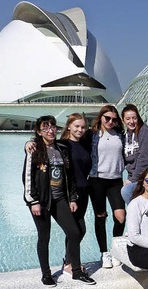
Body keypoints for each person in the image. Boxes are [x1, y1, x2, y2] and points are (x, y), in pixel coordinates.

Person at [22, 115, 95, 287]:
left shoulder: (61, 148)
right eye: (45, 128)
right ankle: (46, 274)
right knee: (44, 237)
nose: (50, 130)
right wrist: (33, 201)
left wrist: (72, 198)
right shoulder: (34, 150)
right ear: (39, 132)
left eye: (53, 127)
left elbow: (69, 176)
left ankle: (76, 271)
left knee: (74, 232)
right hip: (42, 200)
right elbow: (27, 177)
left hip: (60, 198)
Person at [88, 105, 126, 268]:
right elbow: (69, 142)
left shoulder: (120, 135)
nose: (110, 121)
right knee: (100, 217)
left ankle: (115, 249)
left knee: (121, 217)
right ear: (101, 117)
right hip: (97, 180)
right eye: (107, 118)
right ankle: (104, 253)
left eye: (114, 119)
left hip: (115, 180)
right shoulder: (92, 135)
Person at [58, 113, 91, 275]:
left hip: (84, 191)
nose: (80, 129)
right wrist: (29, 143)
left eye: (83, 127)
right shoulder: (62, 145)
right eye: (76, 126)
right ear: (69, 126)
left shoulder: (85, 143)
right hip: (70, 194)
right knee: (76, 230)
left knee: (77, 230)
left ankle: (68, 261)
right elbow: (42, 145)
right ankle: (70, 263)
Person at [121, 104, 148, 206]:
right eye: (128, 119)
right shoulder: (125, 135)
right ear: (123, 120)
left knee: (126, 192)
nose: (131, 121)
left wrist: (132, 179)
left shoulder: (143, 131)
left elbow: (144, 158)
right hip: (133, 176)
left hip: (146, 176)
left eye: (134, 118)